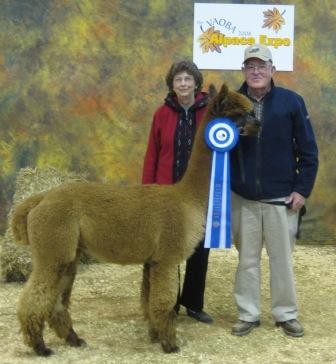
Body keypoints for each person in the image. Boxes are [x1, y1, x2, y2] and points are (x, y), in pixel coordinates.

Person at [230, 44, 318, 337]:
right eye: (250, 66)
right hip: (243, 198)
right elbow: (220, 150)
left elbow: (308, 152)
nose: (256, 71)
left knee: (282, 260)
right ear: (243, 70)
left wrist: (301, 190)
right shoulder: (231, 103)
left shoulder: (292, 102)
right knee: (247, 261)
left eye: (261, 66)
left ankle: (286, 314)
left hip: (282, 199)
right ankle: (248, 314)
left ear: (272, 70)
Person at [142, 60, 213, 324]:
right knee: (164, 252)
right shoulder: (161, 114)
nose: (183, 84)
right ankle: (166, 303)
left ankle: (193, 303)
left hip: (198, 194)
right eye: (178, 80)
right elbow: (153, 152)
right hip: (165, 193)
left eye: (187, 79)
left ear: (196, 82)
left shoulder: (209, 113)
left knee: (199, 248)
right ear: (172, 85)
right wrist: (147, 190)